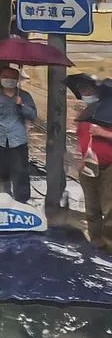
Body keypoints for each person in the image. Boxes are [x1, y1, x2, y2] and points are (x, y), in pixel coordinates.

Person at [0, 66, 38, 203]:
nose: (8, 80)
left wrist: (21, 105)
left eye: (12, 78)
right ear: (0, 79)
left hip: (18, 140)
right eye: (5, 77)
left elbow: (32, 115)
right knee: (2, 172)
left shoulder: (25, 96)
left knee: (20, 172)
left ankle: (21, 200)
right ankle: (4, 198)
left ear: (17, 80)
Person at [75, 77, 112, 247]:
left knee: (109, 207)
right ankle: (96, 240)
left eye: (88, 90)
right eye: (82, 90)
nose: (85, 93)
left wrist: (103, 133)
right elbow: (80, 139)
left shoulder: (109, 111)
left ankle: (109, 241)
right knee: (91, 206)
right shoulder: (85, 114)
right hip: (88, 166)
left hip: (108, 167)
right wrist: (80, 158)